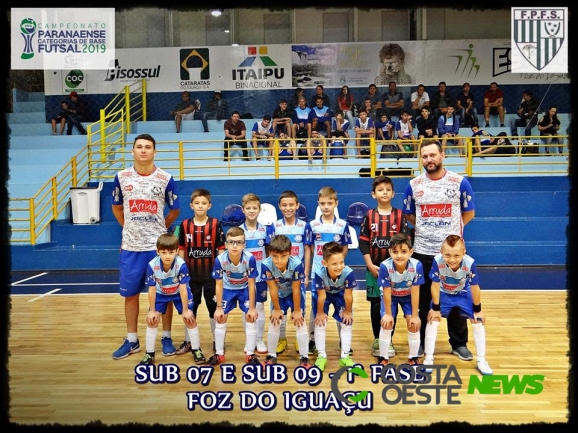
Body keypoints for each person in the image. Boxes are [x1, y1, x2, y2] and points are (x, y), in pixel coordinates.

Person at [403, 140, 475, 362]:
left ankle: (459, 343)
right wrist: (428, 230)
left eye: (433, 155)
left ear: (442, 155)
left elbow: (468, 213)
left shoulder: (459, 182)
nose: (429, 160)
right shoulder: (414, 185)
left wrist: (452, 239)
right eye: (424, 156)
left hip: (452, 254)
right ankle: (425, 342)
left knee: (456, 295)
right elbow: (410, 215)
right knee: (424, 299)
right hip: (423, 251)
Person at [111, 133, 180, 360]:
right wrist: (128, 227)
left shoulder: (165, 178)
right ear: (132, 151)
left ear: (154, 152)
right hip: (131, 247)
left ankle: (167, 337)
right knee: (130, 295)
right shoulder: (121, 177)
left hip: (158, 249)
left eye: (147, 147)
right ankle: (132, 340)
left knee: (166, 293)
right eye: (139, 147)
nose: (143, 150)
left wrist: (161, 229)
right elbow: (117, 208)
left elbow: (174, 210)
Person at [423, 235, 493, 376]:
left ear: (464, 252)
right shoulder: (437, 261)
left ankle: (481, 360)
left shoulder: (470, 263)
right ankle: (428, 357)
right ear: (441, 252)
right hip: (444, 293)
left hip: (463, 293)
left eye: (456, 255)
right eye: (447, 255)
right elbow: (435, 285)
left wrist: (478, 310)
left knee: (477, 321)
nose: (452, 259)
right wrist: (435, 308)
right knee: (433, 319)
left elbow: (475, 287)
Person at [359, 176, 410, 359]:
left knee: (391, 304)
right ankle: (376, 338)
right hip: (374, 268)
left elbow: (406, 242)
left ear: (393, 193)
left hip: (395, 270)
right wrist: (369, 264)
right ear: (374, 194)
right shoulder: (369, 216)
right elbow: (363, 242)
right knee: (376, 304)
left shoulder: (400, 216)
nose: (385, 192)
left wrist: (400, 265)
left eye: (388, 189)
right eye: (381, 190)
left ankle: (388, 339)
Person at [175, 188, 226, 359]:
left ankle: (216, 341)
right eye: (197, 203)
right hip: (191, 277)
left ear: (209, 205)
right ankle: (189, 341)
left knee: (214, 309)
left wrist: (221, 272)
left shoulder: (215, 224)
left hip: (211, 277)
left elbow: (220, 248)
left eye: (204, 203)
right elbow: (181, 249)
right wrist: (179, 270)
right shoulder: (184, 225)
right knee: (190, 309)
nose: (200, 206)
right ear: (191, 205)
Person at [139, 233, 204, 365]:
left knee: (190, 318)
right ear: (157, 252)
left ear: (177, 251)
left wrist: (186, 310)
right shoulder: (152, 265)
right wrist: (152, 310)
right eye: (164, 252)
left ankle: (196, 349)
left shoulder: (181, 265)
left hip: (178, 293)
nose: (167, 256)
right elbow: (151, 289)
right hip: (160, 293)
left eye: (171, 252)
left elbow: (184, 288)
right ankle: (149, 353)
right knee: (152, 320)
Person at [204, 226, 259, 366]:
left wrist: (252, 308)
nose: (235, 246)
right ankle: (219, 354)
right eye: (231, 242)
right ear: (226, 244)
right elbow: (218, 284)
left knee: (251, 317)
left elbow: (252, 284)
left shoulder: (250, 259)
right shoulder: (220, 260)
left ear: (244, 244)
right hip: (227, 289)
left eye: (239, 242)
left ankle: (251, 354)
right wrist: (218, 307)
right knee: (221, 317)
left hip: (244, 288)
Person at [307, 186, 352, 356]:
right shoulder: (312, 225)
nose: (326, 206)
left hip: (337, 274)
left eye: (330, 203)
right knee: (316, 307)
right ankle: (312, 339)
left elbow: (345, 247)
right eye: (323, 203)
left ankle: (343, 340)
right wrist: (320, 265)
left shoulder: (342, 225)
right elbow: (310, 248)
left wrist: (335, 263)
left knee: (342, 305)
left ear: (336, 203)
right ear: (318, 203)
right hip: (318, 273)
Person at [273, 190, 313, 355]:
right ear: (279, 206)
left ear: (297, 206)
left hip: (298, 277)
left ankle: (299, 338)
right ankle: (281, 339)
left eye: (291, 205)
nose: (288, 208)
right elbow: (272, 252)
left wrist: (306, 273)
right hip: (279, 277)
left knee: (299, 309)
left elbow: (308, 250)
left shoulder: (305, 226)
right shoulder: (274, 226)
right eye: (284, 205)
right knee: (279, 310)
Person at [261, 234, 311, 368]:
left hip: (294, 294)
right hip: (279, 294)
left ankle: (304, 358)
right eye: (275, 256)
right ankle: (271, 355)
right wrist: (276, 309)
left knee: (300, 321)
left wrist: (296, 310)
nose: (279, 260)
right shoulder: (266, 265)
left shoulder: (297, 265)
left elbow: (296, 289)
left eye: (283, 256)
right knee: (274, 320)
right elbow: (272, 288)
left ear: (290, 253)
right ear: (270, 253)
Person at [376, 233, 424, 366]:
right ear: (390, 251)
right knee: (387, 324)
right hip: (391, 297)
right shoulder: (385, 266)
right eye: (395, 252)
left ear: (411, 252)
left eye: (403, 251)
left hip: (408, 297)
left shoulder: (417, 266)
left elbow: (415, 291)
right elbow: (386, 291)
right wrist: (388, 314)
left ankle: (413, 357)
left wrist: (415, 316)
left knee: (413, 324)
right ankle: (383, 357)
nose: (399, 255)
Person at [312, 241, 357, 371]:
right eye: (334, 263)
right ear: (324, 263)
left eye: (341, 262)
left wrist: (348, 311)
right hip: (324, 294)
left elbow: (348, 296)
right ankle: (321, 355)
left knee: (346, 322)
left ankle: (345, 356)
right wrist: (320, 313)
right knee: (320, 322)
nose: (339, 266)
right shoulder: (319, 274)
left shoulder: (348, 273)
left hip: (340, 294)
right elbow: (321, 296)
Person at [239, 193, 274, 355]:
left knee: (259, 307)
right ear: (243, 210)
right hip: (244, 278)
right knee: (246, 308)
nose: (251, 211)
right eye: (248, 208)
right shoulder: (238, 231)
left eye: (254, 208)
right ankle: (249, 339)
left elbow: (269, 254)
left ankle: (259, 338)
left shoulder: (266, 230)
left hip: (260, 277)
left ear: (260, 210)